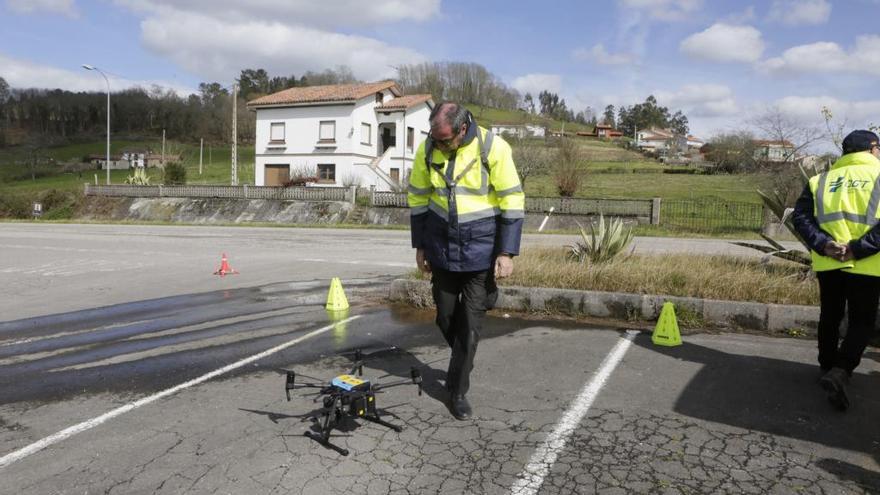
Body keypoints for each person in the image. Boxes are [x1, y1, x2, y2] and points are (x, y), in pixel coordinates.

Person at [407, 101, 525, 420]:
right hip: (441, 248)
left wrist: (506, 252)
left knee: (470, 326)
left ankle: (456, 391)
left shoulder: (494, 148)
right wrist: (420, 247)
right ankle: (466, 355)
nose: (439, 144)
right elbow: (418, 198)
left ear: (462, 129)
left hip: (480, 252)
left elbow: (512, 200)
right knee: (445, 318)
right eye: (435, 138)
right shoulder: (428, 149)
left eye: (445, 139)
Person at [792, 129, 880, 411]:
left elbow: (801, 217)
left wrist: (824, 244)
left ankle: (826, 366)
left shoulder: (821, 180)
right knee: (861, 321)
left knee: (830, 315)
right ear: (872, 148)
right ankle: (841, 371)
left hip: (829, 262)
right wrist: (859, 248)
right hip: (869, 264)